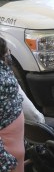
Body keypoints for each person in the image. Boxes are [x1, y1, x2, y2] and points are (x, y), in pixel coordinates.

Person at [0, 37, 24, 172]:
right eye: (7, 52)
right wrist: (5, 162)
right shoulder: (4, 80)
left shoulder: (5, 74)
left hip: (14, 150)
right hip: (7, 157)